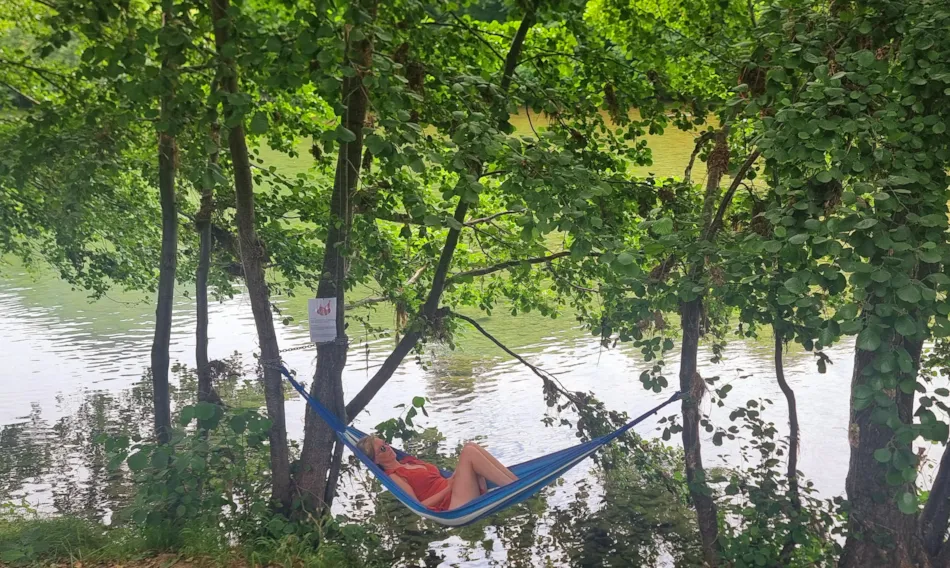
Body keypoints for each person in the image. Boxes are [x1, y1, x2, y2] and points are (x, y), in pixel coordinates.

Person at [355, 435, 518, 511]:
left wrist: (453, 480)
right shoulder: (394, 476)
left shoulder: (408, 461)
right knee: (468, 453)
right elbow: (420, 506)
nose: (388, 447)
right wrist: (449, 487)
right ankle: (514, 487)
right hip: (453, 504)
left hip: (456, 490)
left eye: (386, 442)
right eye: (382, 449)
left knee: (470, 446)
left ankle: (515, 483)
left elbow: (440, 479)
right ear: (376, 460)